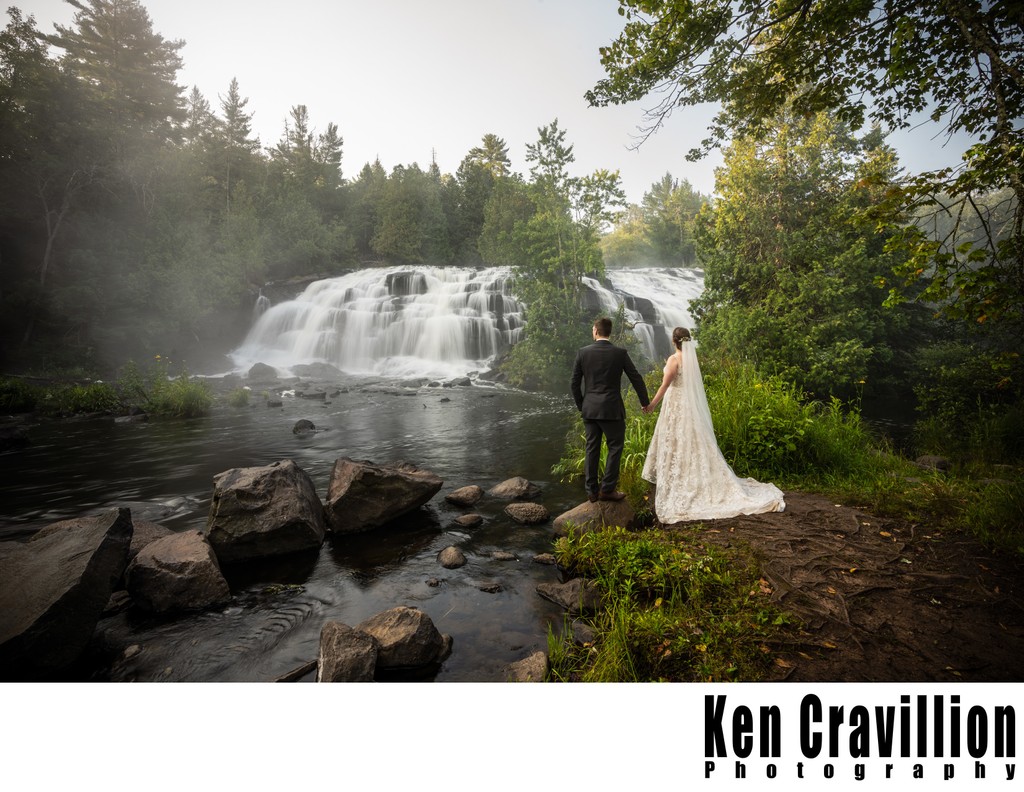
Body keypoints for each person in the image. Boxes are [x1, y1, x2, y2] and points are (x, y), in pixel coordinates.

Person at [641, 327, 784, 522]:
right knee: (692, 440)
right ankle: (689, 477)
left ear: (674, 341)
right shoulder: (691, 360)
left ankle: (680, 478)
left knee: (677, 438)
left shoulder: (673, 360)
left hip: (675, 405)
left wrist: (651, 405)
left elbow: (665, 385)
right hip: (689, 406)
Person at [571, 317, 650, 503]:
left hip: (590, 409)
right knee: (615, 447)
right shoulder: (619, 353)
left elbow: (574, 383)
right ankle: (607, 489)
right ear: (609, 332)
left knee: (592, 448)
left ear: (595, 331)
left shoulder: (583, 353)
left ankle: (591, 492)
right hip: (612, 409)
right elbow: (636, 377)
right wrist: (644, 401)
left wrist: (582, 405)